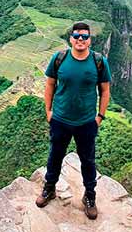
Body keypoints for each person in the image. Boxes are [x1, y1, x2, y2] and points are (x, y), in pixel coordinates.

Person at [35, 22, 111, 220]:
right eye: (76, 36)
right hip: (60, 119)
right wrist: (49, 111)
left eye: (84, 37)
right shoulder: (59, 59)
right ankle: (49, 188)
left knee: (88, 161)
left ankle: (90, 196)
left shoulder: (99, 62)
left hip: (86, 122)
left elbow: (105, 90)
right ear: (70, 38)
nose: (80, 39)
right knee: (55, 156)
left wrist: (99, 117)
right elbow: (50, 85)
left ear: (89, 40)